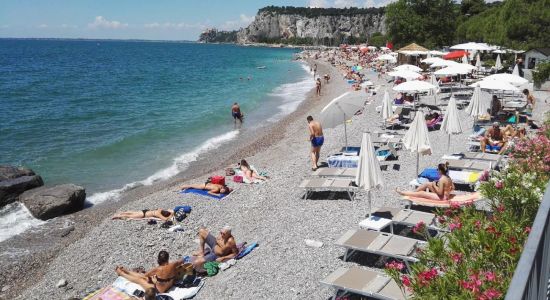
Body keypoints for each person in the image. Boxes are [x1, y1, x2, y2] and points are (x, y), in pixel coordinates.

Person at [115, 253, 192, 294]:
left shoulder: (157, 269)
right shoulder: (173, 264)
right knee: (149, 278)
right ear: (167, 259)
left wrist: (150, 279)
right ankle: (127, 271)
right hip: (169, 285)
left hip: (158, 290)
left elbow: (145, 275)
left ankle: (122, 273)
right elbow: (184, 259)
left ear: (159, 260)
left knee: (140, 279)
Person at [112, 206, 190, 221]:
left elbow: (169, 211)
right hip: (144, 215)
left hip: (145, 211)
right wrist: (172, 215)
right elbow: (165, 219)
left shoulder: (160, 209)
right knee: (130, 215)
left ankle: (121, 213)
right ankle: (117, 216)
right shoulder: (158, 214)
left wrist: (171, 212)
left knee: (131, 212)